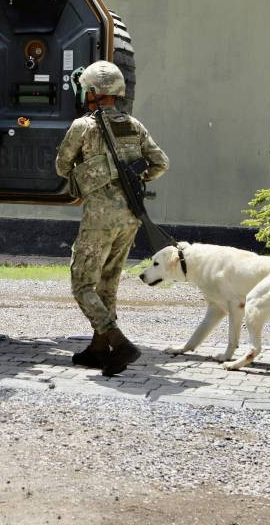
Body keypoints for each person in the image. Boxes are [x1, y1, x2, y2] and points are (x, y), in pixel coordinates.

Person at [55, 60, 169, 376]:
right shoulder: (133, 125)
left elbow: (62, 167)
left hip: (100, 218)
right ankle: (98, 348)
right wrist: (135, 175)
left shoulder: (83, 126)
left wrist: (90, 171)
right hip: (130, 216)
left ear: (92, 92)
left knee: (82, 284)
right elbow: (160, 163)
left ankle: (118, 342)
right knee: (108, 283)